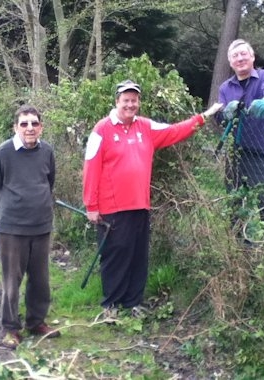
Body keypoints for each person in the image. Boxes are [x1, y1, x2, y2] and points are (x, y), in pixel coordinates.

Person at [82, 79, 222, 318]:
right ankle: (111, 306)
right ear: (117, 102)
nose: (130, 105)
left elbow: (175, 131)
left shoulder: (145, 127)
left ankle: (133, 302)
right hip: (112, 207)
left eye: (134, 100)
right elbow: (91, 167)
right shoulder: (102, 130)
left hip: (140, 204)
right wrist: (91, 205)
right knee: (115, 256)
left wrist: (203, 117)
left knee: (138, 255)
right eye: (125, 100)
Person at [0, 104, 60, 349]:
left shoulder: (47, 151)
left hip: (41, 227)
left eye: (34, 123)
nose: (30, 128)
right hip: (11, 230)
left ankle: (36, 322)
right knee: (11, 282)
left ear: (41, 127)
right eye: (24, 123)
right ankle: (11, 329)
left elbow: (49, 182)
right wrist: (8, 216)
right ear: (15, 127)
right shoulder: (3, 153)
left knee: (40, 280)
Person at [217, 39, 264, 240]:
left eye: (244, 54)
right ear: (230, 62)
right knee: (235, 203)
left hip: (260, 154)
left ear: (252, 57)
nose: (240, 58)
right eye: (235, 56)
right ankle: (239, 247)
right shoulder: (225, 88)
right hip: (235, 154)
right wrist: (225, 113)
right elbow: (219, 117)